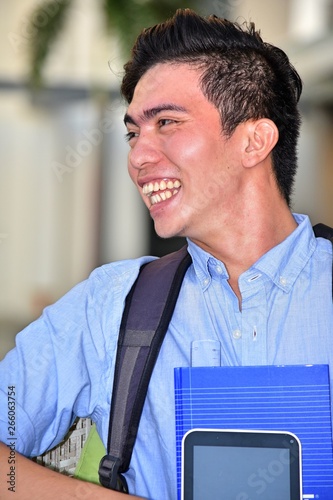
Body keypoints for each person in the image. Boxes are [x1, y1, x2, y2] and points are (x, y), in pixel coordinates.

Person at [0, 7, 332, 500]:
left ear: (254, 140)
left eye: (167, 123)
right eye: (134, 132)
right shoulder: (111, 305)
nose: (137, 156)